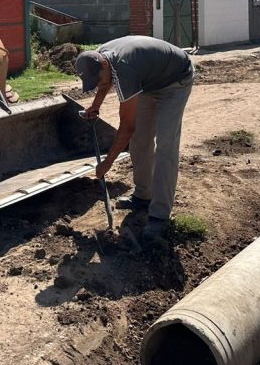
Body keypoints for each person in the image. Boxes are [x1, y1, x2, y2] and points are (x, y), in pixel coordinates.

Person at [75, 36, 194, 246]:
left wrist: (107, 163)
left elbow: (125, 127)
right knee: (140, 138)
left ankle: (160, 215)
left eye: (97, 79)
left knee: (166, 144)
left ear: (104, 64)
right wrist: (95, 106)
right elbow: (105, 81)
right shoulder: (101, 56)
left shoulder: (124, 70)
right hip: (148, 81)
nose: (98, 85)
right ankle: (142, 196)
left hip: (176, 79)